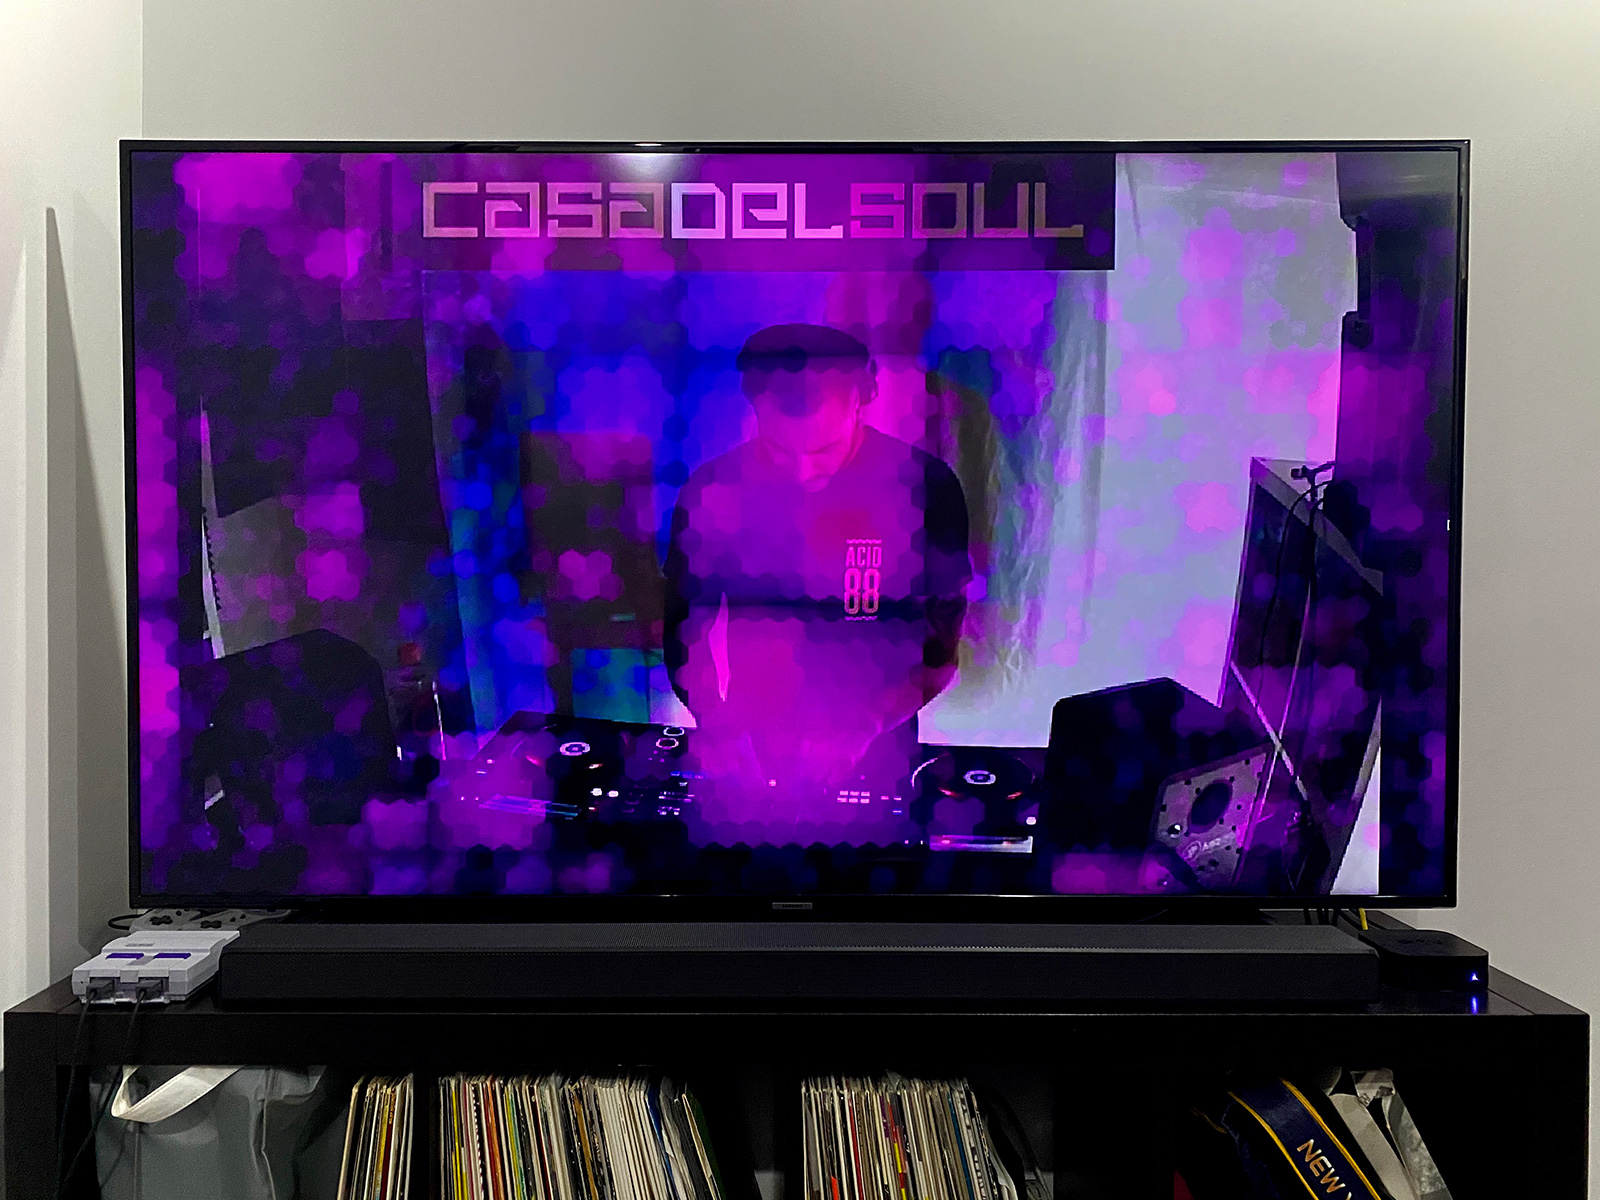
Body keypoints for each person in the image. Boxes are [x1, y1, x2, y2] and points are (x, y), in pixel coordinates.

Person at [664, 324, 971, 820]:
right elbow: (684, 625)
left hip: (881, 743)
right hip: (749, 739)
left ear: (864, 397)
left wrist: (864, 726)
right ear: (753, 403)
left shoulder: (924, 489)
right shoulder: (713, 491)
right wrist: (713, 719)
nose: (804, 473)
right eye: (778, 452)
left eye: (825, 453)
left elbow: (941, 651)